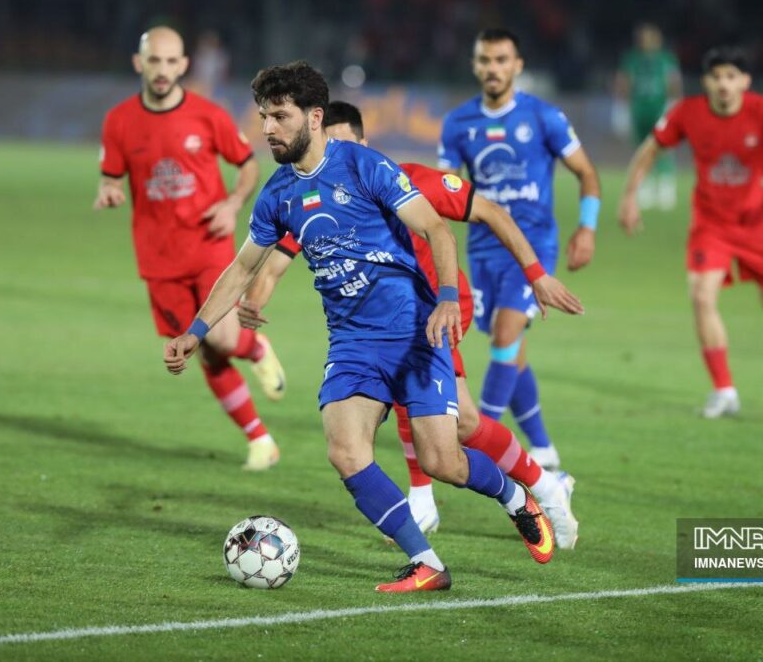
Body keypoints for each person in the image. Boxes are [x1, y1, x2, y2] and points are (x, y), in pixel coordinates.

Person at [163, 61, 557, 593]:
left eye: (280, 117)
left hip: (414, 332)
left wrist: (446, 300)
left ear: (314, 117)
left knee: (443, 461)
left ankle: (515, 497)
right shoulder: (278, 195)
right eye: (264, 117)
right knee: (346, 452)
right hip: (351, 342)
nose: (268, 128)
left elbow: (437, 230)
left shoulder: (366, 167)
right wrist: (196, 331)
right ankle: (427, 563)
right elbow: (242, 268)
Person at [239, 100, 582, 549]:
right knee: (462, 422)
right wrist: (254, 299)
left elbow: (492, 212)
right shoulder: (319, 193)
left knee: (432, 403)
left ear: (364, 144)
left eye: (343, 144)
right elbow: (276, 260)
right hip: (380, 320)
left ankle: (444, 495)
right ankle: (537, 486)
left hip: (438, 307)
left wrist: (537, 276)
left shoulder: (408, 179)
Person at [95, 26, 285, 471]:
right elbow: (110, 174)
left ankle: (254, 347)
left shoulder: (208, 115)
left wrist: (233, 203)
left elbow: (247, 165)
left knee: (220, 336)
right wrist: (108, 189)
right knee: (202, 350)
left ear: (183, 65)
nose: (162, 70)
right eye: (154, 61)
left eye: (170, 61)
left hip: (207, 245)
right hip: (158, 258)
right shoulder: (119, 120)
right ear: (139, 63)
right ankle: (260, 440)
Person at [617, 46, 763, 420]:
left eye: (731, 77)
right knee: (701, 296)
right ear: (706, 82)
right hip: (711, 224)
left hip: (760, 225)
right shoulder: (688, 112)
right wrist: (630, 196)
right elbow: (649, 150)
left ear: (745, 81)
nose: (724, 85)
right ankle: (724, 391)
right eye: (716, 77)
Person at [438, 28, 602, 471]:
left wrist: (587, 229)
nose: (493, 68)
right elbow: (445, 189)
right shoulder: (458, 123)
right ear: (475, 66)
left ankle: (481, 438)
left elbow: (587, 173)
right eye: (485, 60)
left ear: (517, 65)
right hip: (484, 250)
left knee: (507, 335)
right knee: (510, 349)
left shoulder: (543, 117)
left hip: (534, 246)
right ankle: (543, 446)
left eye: (501, 60)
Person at [614, 23, 682, 211]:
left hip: (660, 109)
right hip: (639, 110)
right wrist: (621, 108)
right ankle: (645, 185)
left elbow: (674, 82)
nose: (646, 42)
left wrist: (673, 104)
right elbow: (624, 83)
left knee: (663, 146)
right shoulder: (632, 59)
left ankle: (666, 186)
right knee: (641, 149)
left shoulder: (666, 59)